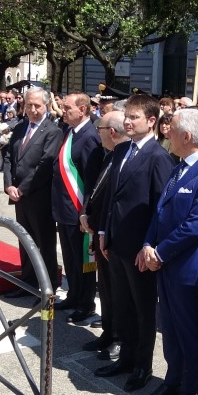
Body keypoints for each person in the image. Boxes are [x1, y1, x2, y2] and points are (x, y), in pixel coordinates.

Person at [135, 108, 198, 395]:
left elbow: (195, 226)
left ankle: (190, 390)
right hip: (164, 261)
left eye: (170, 129)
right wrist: (147, 244)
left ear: (186, 136)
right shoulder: (179, 166)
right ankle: (172, 381)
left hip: (186, 267)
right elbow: (160, 211)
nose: (166, 133)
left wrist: (158, 254)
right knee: (170, 328)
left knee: (188, 330)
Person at [95, 93, 173, 393]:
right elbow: (111, 196)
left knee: (142, 309)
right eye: (126, 116)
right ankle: (125, 358)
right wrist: (104, 231)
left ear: (151, 121)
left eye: (134, 117)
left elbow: (160, 208)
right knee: (122, 304)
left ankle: (143, 365)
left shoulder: (158, 157)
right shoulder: (122, 150)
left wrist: (149, 245)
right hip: (116, 242)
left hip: (139, 247)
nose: (127, 121)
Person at [2, 88, 64, 297]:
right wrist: (8, 185)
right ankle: (27, 282)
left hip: (39, 196)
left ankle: (49, 286)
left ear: (46, 105)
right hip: (18, 195)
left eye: (37, 105)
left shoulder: (52, 131)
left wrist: (22, 188)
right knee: (25, 240)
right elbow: (9, 157)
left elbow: (44, 166)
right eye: (29, 105)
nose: (33, 109)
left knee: (44, 242)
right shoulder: (21, 127)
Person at [80, 111, 128, 358]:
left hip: (114, 236)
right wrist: (86, 213)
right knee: (106, 288)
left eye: (99, 129)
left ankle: (119, 337)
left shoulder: (123, 157)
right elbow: (95, 189)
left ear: (111, 131)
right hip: (100, 231)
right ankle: (108, 332)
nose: (97, 133)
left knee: (117, 291)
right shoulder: (108, 155)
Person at [51, 93, 102, 323]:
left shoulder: (90, 136)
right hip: (65, 209)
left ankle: (86, 303)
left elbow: (91, 181)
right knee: (71, 259)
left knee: (84, 262)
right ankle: (73, 295)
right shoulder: (70, 132)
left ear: (82, 109)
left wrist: (86, 212)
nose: (63, 111)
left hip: (78, 210)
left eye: (67, 108)